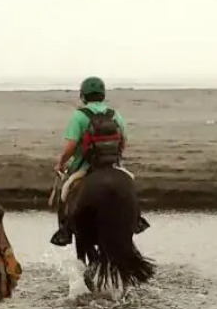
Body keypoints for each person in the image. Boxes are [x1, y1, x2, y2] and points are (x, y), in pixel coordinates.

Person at [49, 76, 148, 245]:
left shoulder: (79, 116)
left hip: (85, 167)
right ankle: (137, 220)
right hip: (112, 164)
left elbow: (71, 145)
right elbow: (123, 141)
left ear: (83, 96)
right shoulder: (114, 114)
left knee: (65, 191)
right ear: (103, 95)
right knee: (130, 183)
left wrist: (61, 162)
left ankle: (64, 231)